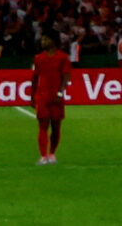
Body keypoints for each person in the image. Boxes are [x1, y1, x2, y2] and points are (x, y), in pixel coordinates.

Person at [31, 37, 71, 165]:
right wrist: (32, 96)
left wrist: (60, 92)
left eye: (45, 39)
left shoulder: (63, 57)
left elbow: (66, 76)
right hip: (42, 96)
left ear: (53, 41)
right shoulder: (38, 58)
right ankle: (43, 156)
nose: (42, 42)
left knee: (56, 126)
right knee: (43, 125)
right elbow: (35, 77)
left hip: (56, 97)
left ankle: (52, 154)